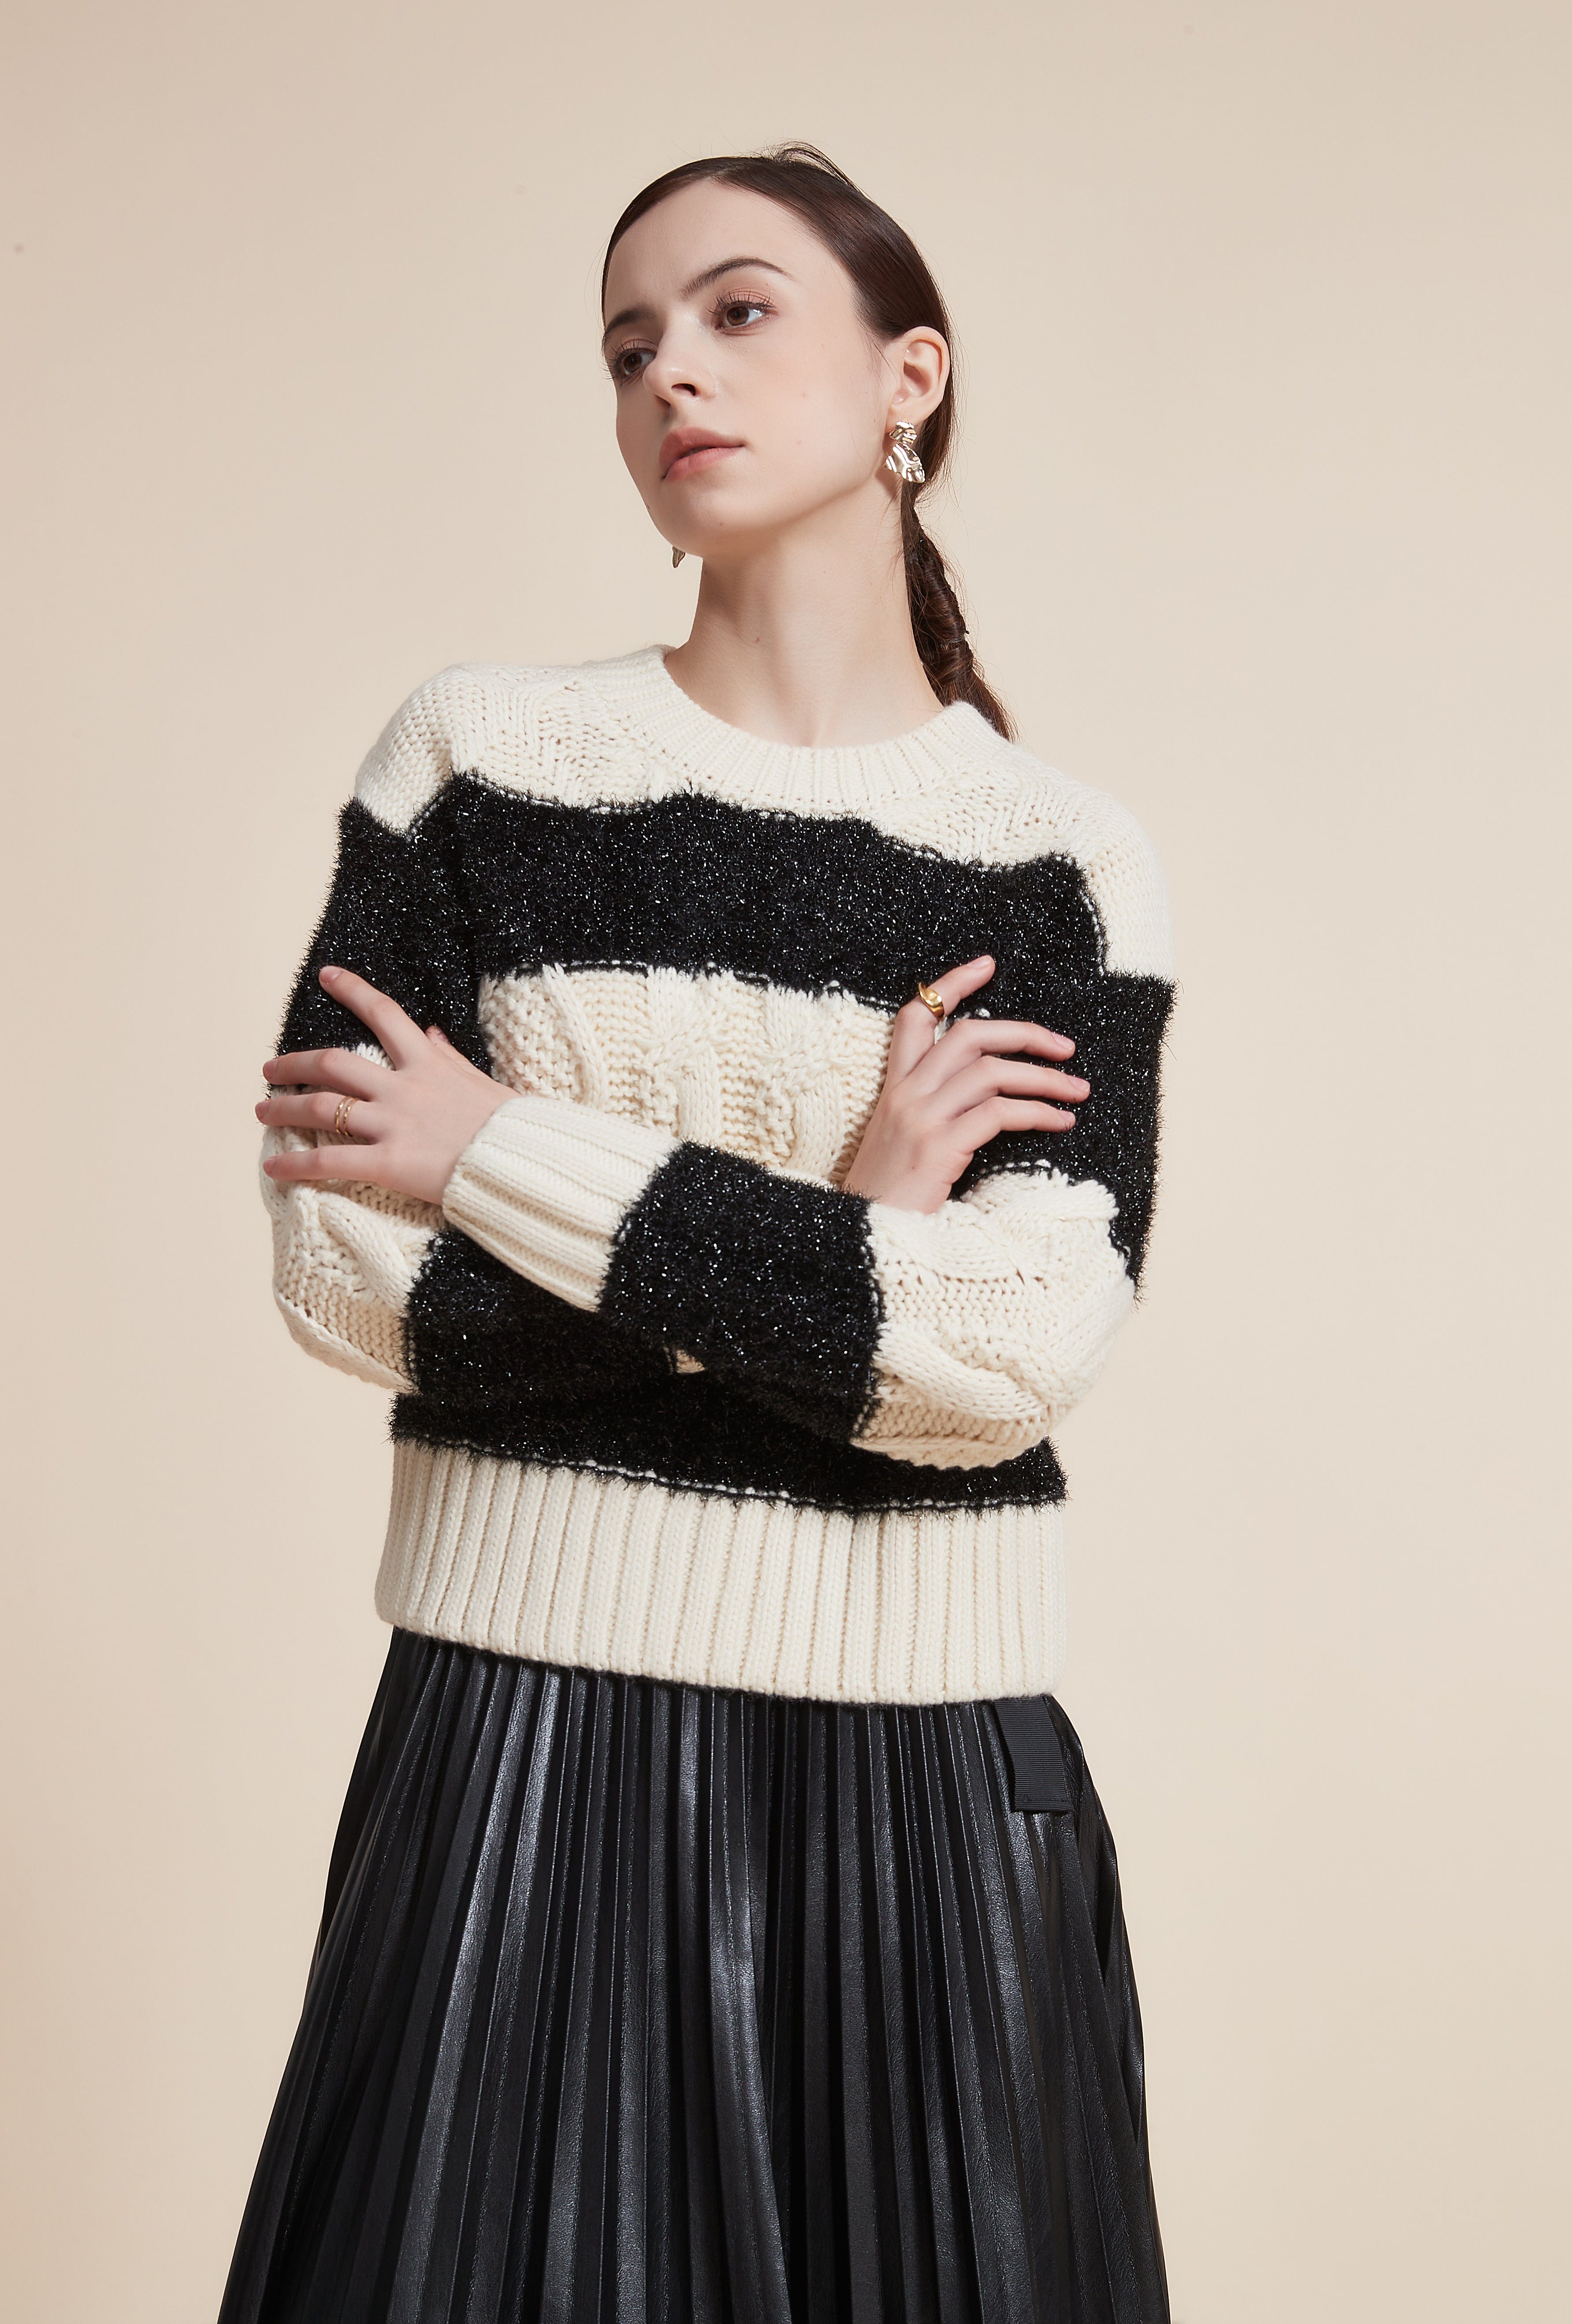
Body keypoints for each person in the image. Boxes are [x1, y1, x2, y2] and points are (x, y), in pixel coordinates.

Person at [221, 144, 1176, 2324]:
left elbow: (1006, 1353)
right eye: (627, 343)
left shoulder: (1057, 862)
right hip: (514, 1742)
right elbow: (344, 1274)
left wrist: (496, 1150)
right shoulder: (477, 761)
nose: (670, 372)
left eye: (739, 312)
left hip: (927, 1765)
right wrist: (836, 1236)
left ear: (908, 377)